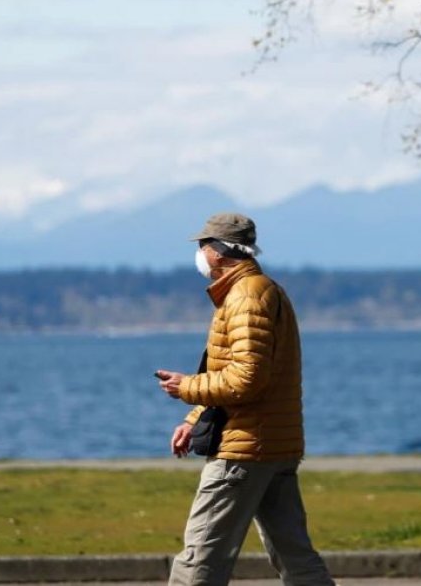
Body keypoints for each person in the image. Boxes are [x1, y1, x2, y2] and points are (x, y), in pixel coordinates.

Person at [156, 212, 336, 586]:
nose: (200, 254)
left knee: (199, 559)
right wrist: (194, 421)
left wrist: (186, 387)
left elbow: (246, 379)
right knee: (296, 559)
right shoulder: (259, 291)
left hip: (242, 450)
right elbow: (239, 371)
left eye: (203, 246)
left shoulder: (245, 297)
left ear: (219, 252)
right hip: (272, 446)